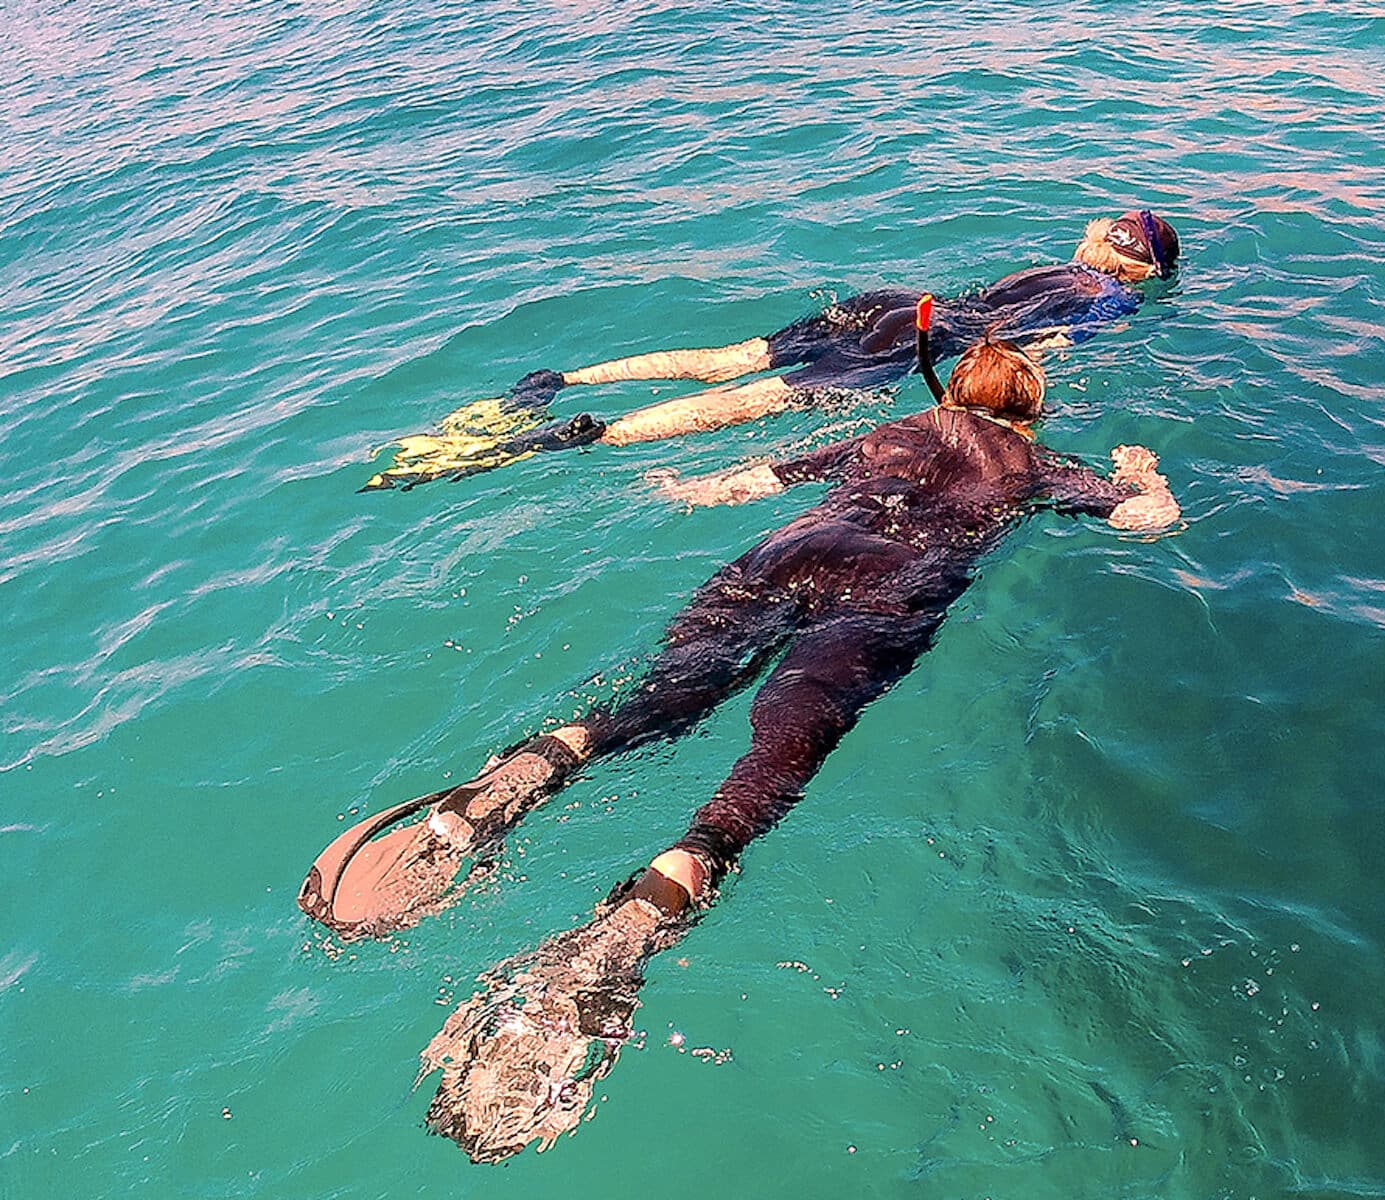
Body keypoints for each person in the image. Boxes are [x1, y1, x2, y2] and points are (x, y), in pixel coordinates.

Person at [302, 319, 1181, 1160]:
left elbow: (753, 479)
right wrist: (1141, 475)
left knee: (662, 699)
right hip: (890, 588)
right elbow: (1148, 524)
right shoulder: (1035, 466)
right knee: (770, 764)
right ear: (1026, 411)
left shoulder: (893, 431)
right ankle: (641, 913)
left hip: (785, 553)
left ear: (952, 389)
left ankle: (533, 767)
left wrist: (690, 489)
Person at [361, 210, 1181, 489]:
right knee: (758, 403)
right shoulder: (1109, 301)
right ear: (1140, 271)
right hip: (936, 342)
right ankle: (597, 432)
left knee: (733, 355)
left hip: (900, 304)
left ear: (1093, 238)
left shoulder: (1054, 261)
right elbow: (1031, 362)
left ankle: (560, 378)